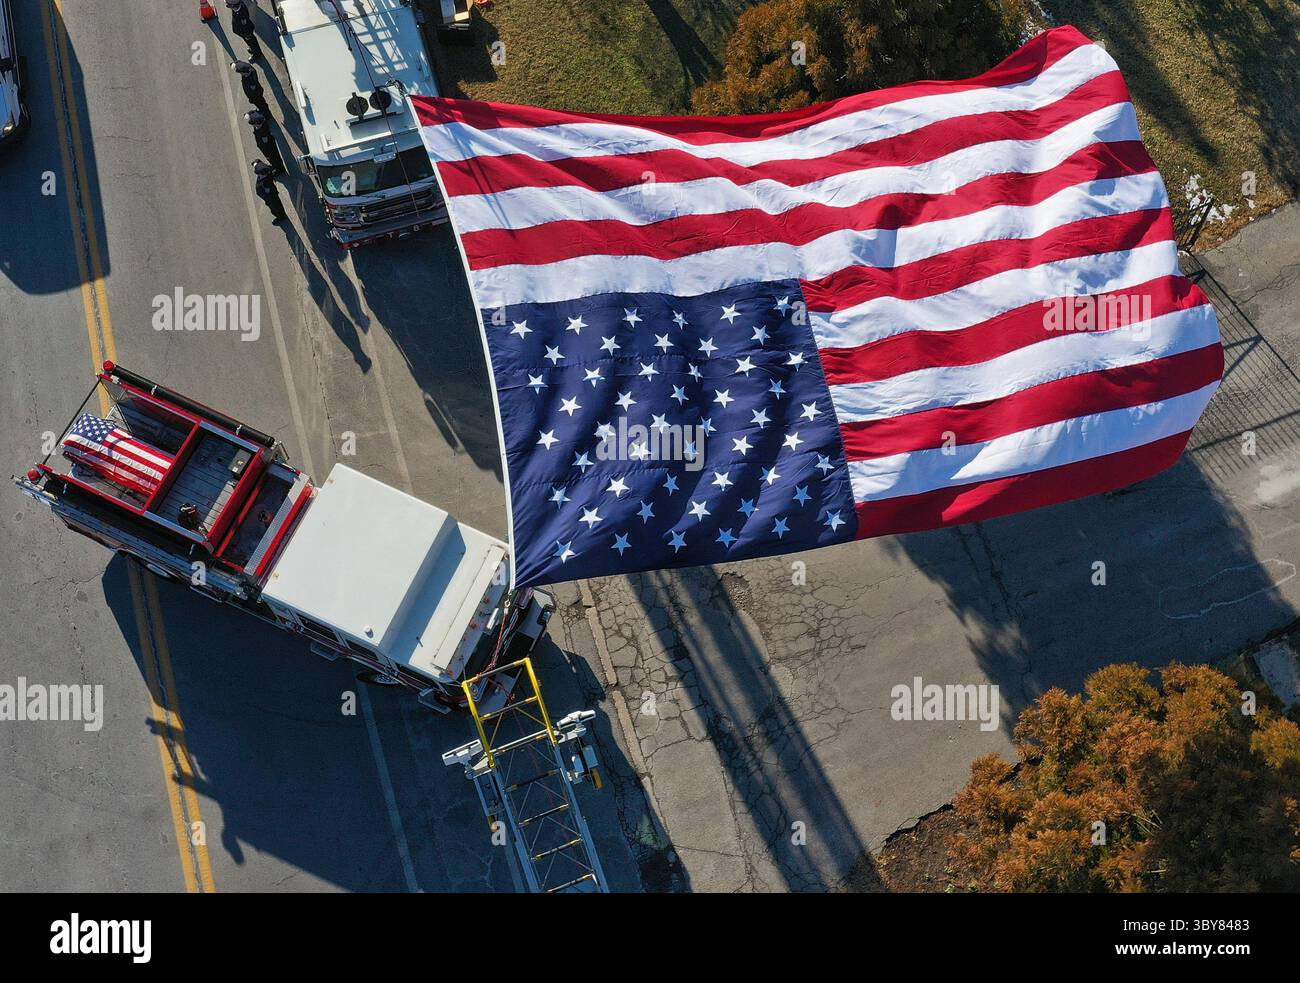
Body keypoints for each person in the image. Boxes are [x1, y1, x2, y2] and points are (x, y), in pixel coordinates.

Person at [243, 109, 285, 175]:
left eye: (253, 124)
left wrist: (268, 155)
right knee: (274, 159)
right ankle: (276, 166)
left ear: (258, 123)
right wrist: (248, 114)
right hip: (266, 144)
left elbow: (267, 146)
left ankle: (279, 169)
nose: (253, 125)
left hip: (269, 149)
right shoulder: (258, 117)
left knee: (275, 159)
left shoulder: (263, 133)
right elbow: (253, 112)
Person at [251, 159, 288, 225]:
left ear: (263, 174)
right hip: (268, 194)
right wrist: (255, 163)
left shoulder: (266, 182)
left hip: (271, 196)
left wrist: (268, 201)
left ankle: (281, 217)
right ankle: (280, 214)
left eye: (258, 173)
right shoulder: (263, 170)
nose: (257, 174)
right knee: (275, 205)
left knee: (275, 207)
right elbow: (256, 162)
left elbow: (268, 193)